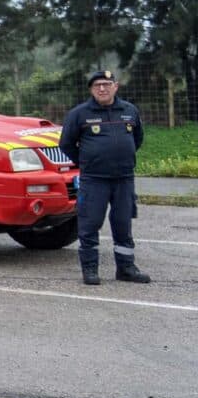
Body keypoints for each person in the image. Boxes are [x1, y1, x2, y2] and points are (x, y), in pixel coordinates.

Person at [59, 70, 151, 287]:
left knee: (123, 224)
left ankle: (126, 268)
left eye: (107, 84)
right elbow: (66, 144)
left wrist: (121, 156)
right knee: (89, 224)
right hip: (94, 180)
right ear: (91, 89)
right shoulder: (79, 114)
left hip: (124, 179)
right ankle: (90, 269)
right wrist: (87, 161)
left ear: (115, 87)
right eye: (97, 85)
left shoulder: (129, 111)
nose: (102, 88)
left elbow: (137, 139)